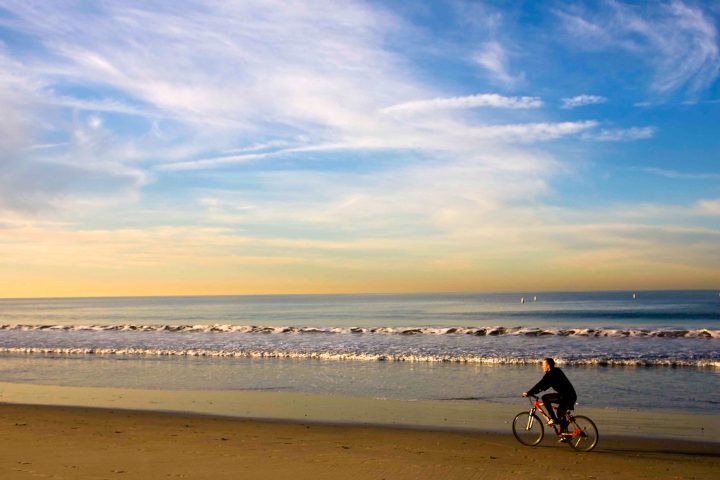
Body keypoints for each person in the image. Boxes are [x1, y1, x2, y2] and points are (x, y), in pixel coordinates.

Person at [522, 358, 577, 440]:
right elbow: (544, 386)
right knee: (560, 412)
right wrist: (534, 392)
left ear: (548, 366)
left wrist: (529, 393)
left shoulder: (550, 374)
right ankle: (565, 435)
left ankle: (552, 419)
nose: (542, 366)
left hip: (566, 396)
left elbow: (540, 384)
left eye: (543, 365)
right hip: (571, 396)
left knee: (545, 398)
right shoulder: (556, 371)